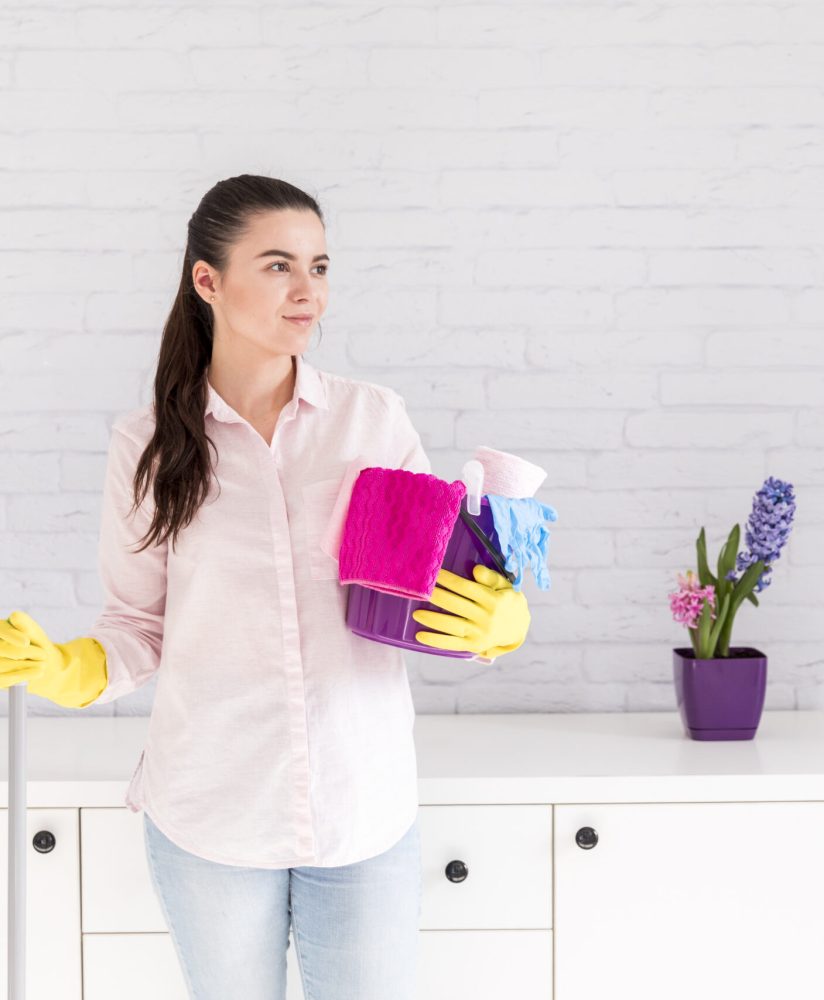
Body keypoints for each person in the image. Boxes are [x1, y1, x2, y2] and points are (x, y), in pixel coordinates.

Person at [0, 174, 530, 999]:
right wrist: (66, 667)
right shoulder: (147, 447)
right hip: (212, 811)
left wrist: (494, 621)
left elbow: (429, 598)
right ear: (207, 281)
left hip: (362, 808)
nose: (307, 291)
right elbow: (137, 626)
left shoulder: (373, 421)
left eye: (319, 267)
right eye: (279, 265)